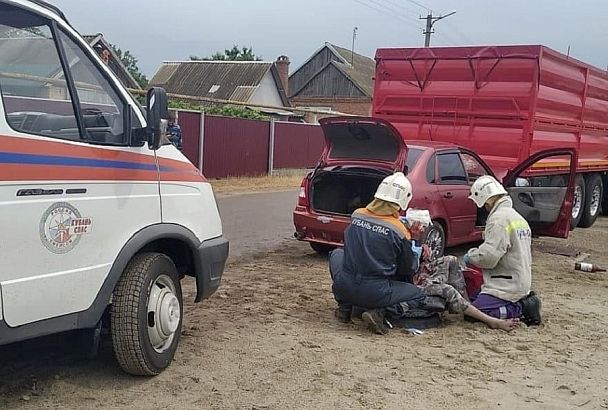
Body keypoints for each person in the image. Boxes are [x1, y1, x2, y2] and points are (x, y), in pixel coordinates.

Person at [329, 172, 425, 335]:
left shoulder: (356, 215)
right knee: (418, 295)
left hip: (344, 287)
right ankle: (381, 313)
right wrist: (413, 239)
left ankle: (344, 308)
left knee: (336, 254)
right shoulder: (399, 230)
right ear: (402, 201)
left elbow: (349, 246)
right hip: (376, 292)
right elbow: (407, 269)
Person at [463, 175, 542, 326]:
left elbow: (488, 258)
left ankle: (521, 308)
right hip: (517, 279)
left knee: (474, 313)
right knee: (471, 299)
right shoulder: (516, 217)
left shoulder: (498, 220)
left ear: (486, 199)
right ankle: (521, 301)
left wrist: (471, 256)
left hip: (506, 285)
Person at [414, 251, 518, 331]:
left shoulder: (403, 233)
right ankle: (493, 321)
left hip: (416, 272)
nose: (422, 228)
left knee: (451, 260)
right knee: (448, 290)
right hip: (409, 282)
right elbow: (405, 267)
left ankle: (467, 306)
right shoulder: (400, 238)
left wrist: (422, 251)